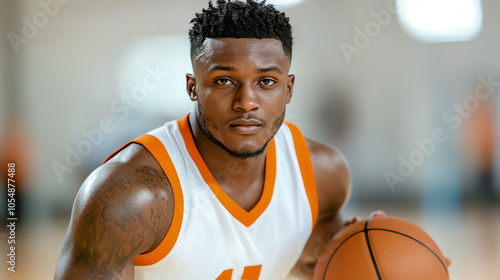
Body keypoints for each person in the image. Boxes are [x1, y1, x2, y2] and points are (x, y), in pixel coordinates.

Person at [55, 1, 383, 279]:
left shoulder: (321, 174)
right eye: (224, 80)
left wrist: (373, 247)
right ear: (192, 86)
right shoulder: (129, 197)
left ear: (289, 89)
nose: (246, 101)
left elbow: (327, 263)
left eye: (266, 81)